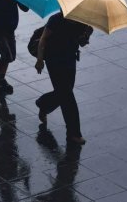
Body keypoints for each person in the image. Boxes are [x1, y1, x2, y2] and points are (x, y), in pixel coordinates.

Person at [34, 11, 93, 145]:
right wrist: (40, 59)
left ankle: (43, 103)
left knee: (64, 92)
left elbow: (82, 43)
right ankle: (74, 133)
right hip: (53, 60)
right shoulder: (55, 20)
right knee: (67, 95)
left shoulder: (81, 22)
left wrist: (87, 34)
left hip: (69, 60)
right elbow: (43, 39)